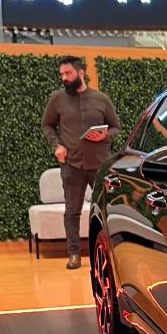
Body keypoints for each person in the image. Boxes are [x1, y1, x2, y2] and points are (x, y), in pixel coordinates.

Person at [42, 57, 119, 269]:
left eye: (68, 73)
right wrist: (57, 145)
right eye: (62, 74)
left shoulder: (102, 99)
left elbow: (116, 128)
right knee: (72, 212)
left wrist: (105, 136)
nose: (64, 78)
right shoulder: (57, 99)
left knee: (105, 210)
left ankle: (110, 251)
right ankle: (74, 254)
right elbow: (47, 125)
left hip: (100, 165)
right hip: (72, 165)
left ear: (81, 73)